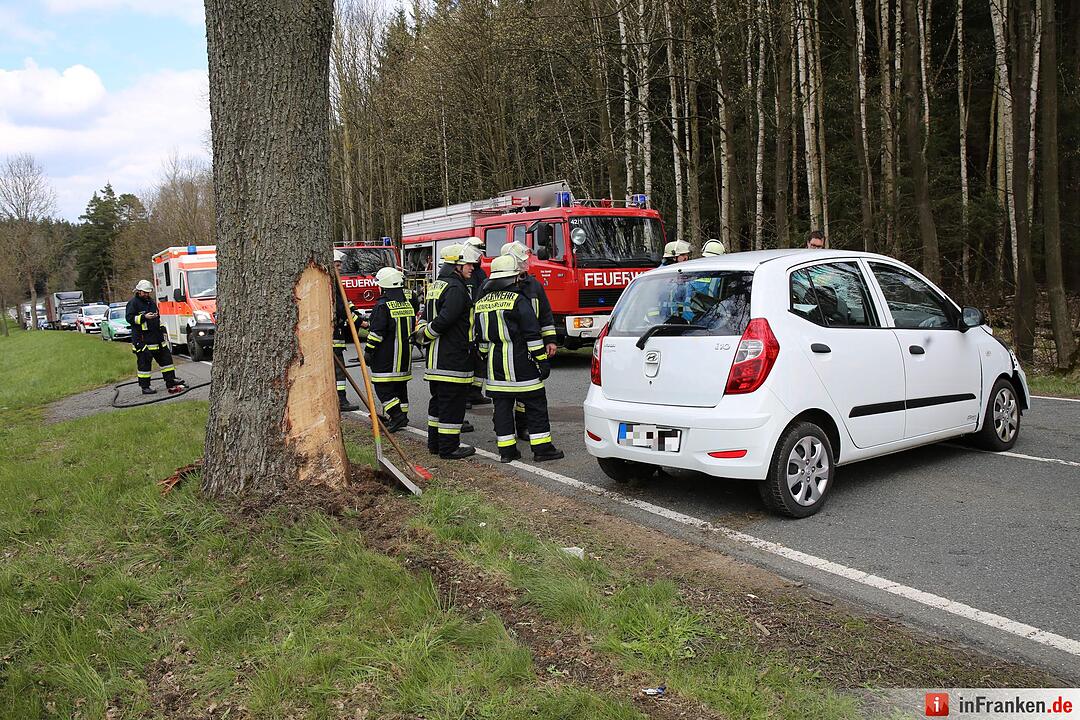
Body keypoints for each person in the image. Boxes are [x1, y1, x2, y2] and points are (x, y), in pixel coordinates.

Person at [475, 255, 564, 463]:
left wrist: (487, 358)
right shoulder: (518, 300)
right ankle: (542, 449)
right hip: (522, 364)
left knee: (502, 409)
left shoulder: (481, 302)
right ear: (512, 278)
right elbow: (532, 335)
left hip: (495, 368)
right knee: (535, 406)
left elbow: (480, 340)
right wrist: (542, 361)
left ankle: (507, 452)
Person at [414, 243, 477, 459]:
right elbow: (446, 319)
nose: (472, 268)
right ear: (456, 265)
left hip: (436, 360)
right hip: (452, 358)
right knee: (452, 404)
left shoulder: (436, 285)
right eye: (468, 264)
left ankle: (435, 444)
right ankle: (449, 447)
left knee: (438, 402)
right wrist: (428, 334)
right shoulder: (456, 288)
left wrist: (423, 332)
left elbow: (425, 315)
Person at [501, 241, 558, 438]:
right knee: (507, 394)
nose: (527, 264)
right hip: (510, 348)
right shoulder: (497, 286)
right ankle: (506, 432)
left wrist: (550, 340)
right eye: (523, 261)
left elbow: (545, 315)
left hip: (532, 346)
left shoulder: (534, 285)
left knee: (528, 393)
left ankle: (524, 427)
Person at [364, 266, 414, 432]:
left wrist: (369, 351)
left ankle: (397, 416)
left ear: (383, 285)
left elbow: (376, 333)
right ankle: (401, 417)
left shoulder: (382, 306)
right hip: (404, 358)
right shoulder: (407, 303)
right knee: (400, 389)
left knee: (383, 389)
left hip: (386, 359)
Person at [125, 280, 185, 395]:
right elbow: (129, 319)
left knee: (166, 360)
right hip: (142, 340)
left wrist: (162, 329)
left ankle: (170, 381)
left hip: (157, 339)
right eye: (145, 292)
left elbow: (158, 317)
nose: (147, 294)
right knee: (144, 364)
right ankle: (145, 387)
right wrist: (144, 317)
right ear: (139, 291)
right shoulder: (133, 303)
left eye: (148, 292)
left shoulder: (151, 302)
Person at [463, 236, 492, 409]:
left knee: (480, 359)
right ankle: (465, 395)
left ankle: (475, 392)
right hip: (467, 321)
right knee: (467, 360)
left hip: (480, 319)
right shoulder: (464, 273)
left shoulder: (480, 272)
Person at [332, 249, 363, 412]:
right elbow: (340, 308)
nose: (340, 268)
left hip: (335, 333)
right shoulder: (330, 283)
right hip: (332, 336)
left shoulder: (336, 283)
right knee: (339, 372)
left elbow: (346, 303)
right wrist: (358, 322)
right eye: (337, 265)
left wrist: (356, 314)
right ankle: (341, 400)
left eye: (340, 265)